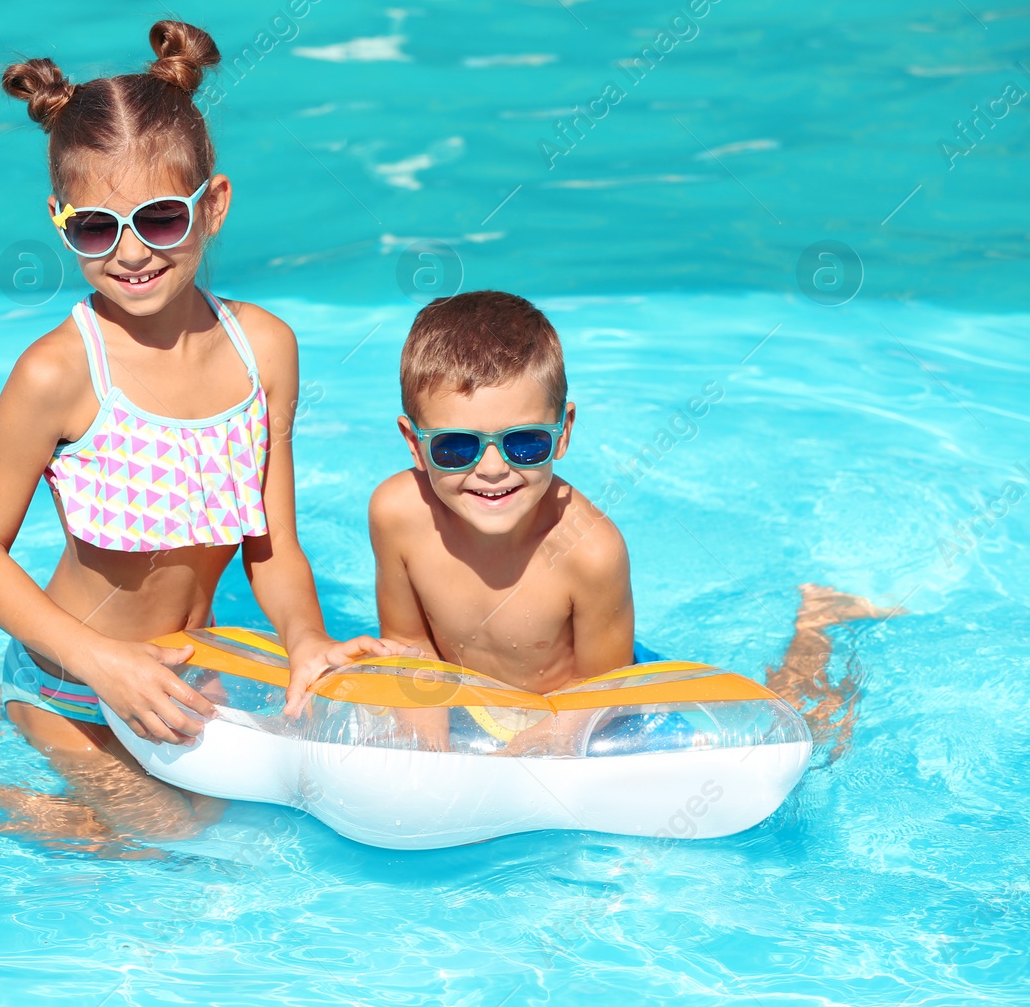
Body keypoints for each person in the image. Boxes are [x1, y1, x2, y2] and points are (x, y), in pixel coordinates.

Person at [0, 20, 394, 847]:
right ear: (60, 221)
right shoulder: (60, 373)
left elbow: (273, 546)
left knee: (239, 818)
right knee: (166, 843)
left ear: (213, 206)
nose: (128, 253)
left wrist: (306, 640)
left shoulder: (264, 350)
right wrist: (99, 662)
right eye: (94, 227)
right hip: (71, 683)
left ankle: (23, 788)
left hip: (181, 681)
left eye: (158, 220)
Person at [368, 290, 899, 754]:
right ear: (414, 444)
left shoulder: (590, 551)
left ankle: (816, 623)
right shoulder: (397, 515)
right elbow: (410, 649)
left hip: (598, 697)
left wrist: (518, 762)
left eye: (524, 442)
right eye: (456, 446)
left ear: (564, 431)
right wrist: (428, 751)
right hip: (481, 706)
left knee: (798, 739)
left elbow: (601, 702)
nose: (492, 468)